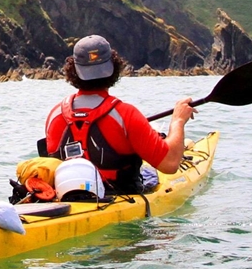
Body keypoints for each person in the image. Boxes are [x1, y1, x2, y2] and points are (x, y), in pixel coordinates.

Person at [44, 34, 196, 194]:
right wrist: (178, 120)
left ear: (73, 71)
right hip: (121, 196)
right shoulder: (125, 114)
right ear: (114, 68)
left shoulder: (54, 115)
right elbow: (170, 164)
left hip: (68, 198)